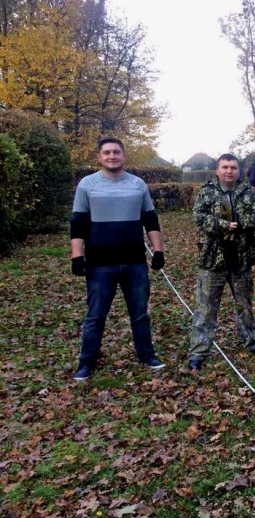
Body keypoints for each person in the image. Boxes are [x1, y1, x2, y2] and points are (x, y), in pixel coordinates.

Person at [70, 137, 166, 381]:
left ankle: (146, 354)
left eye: (116, 152)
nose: (112, 156)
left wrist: (158, 251)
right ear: (100, 156)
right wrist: (77, 256)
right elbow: (78, 223)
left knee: (140, 314)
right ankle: (86, 362)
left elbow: (150, 219)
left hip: (134, 263)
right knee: (95, 315)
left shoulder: (138, 184)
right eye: (107, 153)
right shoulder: (87, 185)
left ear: (124, 156)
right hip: (99, 264)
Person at [188, 153, 255, 370]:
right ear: (217, 169)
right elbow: (199, 217)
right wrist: (223, 225)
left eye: (233, 167)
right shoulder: (207, 191)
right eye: (225, 167)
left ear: (239, 170)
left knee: (245, 304)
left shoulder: (248, 192)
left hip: (241, 258)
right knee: (205, 308)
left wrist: (239, 223)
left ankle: (251, 342)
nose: (229, 171)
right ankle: (199, 351)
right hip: (212, 259)